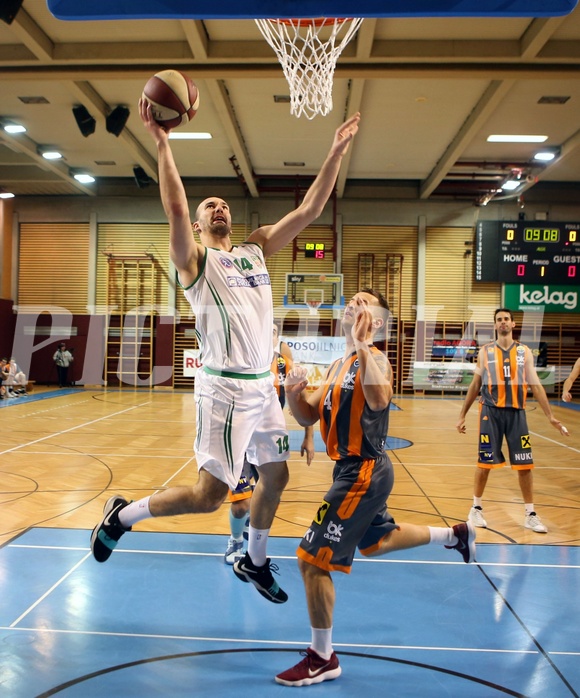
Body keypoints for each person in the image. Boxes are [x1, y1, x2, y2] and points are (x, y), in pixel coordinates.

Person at [90, 97, 360, 606]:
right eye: (208, 205)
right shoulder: (195, 262)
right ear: (196, 226)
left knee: (275, 476)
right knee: (207, 497)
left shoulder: (254, 248)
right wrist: (162, 142)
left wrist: (336, 153)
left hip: (263, 388)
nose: (219, 207)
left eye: (224, 204)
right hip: (223, 390)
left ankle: (254, 561)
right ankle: (121, 515)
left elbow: (310, 210)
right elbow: (173, 205)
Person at [275, 289, 476, 686]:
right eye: (351, 299)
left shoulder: (377, 357)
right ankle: (453, 536)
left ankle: (322, 657)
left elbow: (381, 400)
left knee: (311, 560)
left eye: (363, 302)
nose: (352, 303)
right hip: (350, 471)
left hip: (363, 473)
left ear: (378, 321)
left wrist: (365, 346)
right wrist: (293, 392)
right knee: (375, 542)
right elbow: (306, 416)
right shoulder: (337, 364)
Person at [456, 308, 570, 534]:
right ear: (495, 325)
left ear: (513, 324)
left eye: (506, 319)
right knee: (485, 462)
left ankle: (530, 514)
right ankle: (475, 508)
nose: (503, 323)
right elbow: (475, 385)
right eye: (499, 320)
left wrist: (550, 416)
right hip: (490, 412)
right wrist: (462, 415)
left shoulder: (524, 351)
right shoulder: (485, 351)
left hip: (517, 414)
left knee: (525, 464)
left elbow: (536, 385)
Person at [225, 324, 315, 565]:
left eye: (273, 331)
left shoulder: (285, 364)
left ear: (277, 339)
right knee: (242, 504)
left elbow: (303, 399)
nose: (268, 334)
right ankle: (235, 540)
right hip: (237, 440)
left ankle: (251, 548)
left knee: (264, 494)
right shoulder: (239, 360)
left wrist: (309, 436)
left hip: (265, 440)